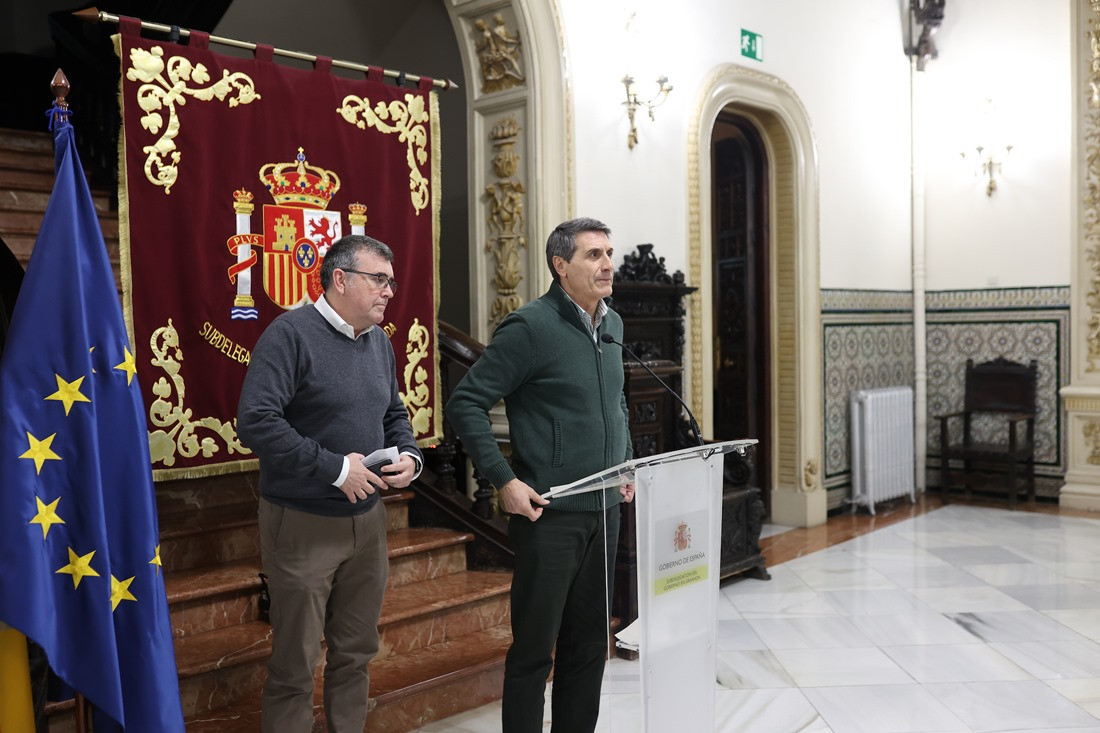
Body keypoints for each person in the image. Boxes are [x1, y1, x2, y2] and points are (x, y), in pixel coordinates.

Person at [445, 217, 635, 733]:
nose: (607, 264)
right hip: (548, 515)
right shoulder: (529, 328)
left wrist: (626, 463)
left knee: (590, 644)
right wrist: (503, 479)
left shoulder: (612, 325)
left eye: (608, 253)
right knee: (534, 652)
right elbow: (465, 403)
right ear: (560, 265)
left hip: (605, 511)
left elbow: (615, 402)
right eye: (593, 255)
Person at [237, 234, 423, 733]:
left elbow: (392, 413)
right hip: (302, 523)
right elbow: (256, 421)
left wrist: (409, 454)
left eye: (392, 281)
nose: (389, 291)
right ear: (340, 279)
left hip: (368, 523)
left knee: (356, 654)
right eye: (378, 280)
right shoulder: (289, 334)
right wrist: (336, 469)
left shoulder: (378, 340)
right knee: (295, 665)